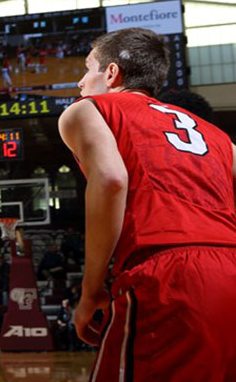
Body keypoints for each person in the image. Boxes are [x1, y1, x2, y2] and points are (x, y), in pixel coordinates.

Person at [58, 27, 236, 381]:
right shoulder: (217, 136)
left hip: (169, 274)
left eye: (87, 68)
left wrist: (91, 289)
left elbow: (111, 180)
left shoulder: (86, 110)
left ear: (110, 74)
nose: (80, 82)